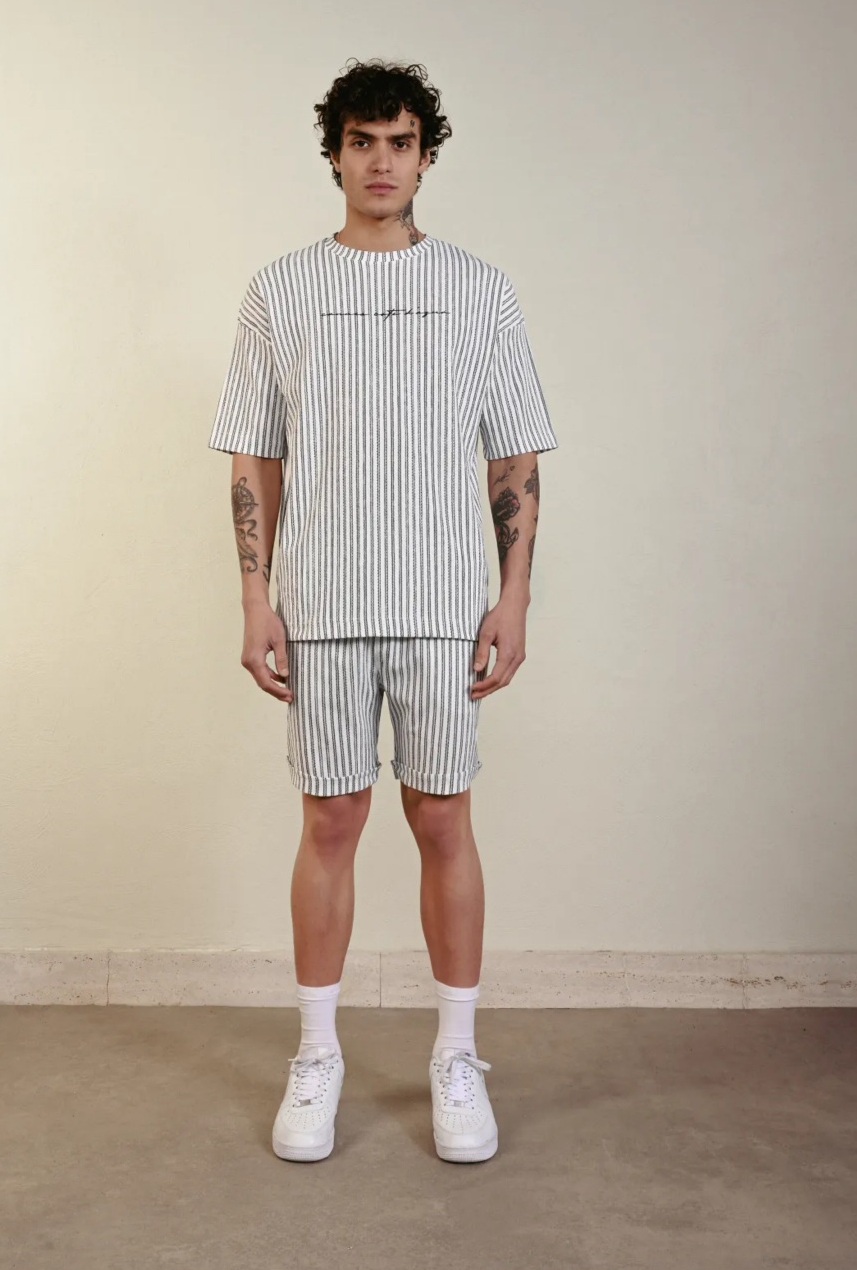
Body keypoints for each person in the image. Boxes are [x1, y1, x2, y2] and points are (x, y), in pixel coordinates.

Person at [207, 59, 558, 1163]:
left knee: (444, 817)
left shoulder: (480, 290)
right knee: (331, 819)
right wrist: (256, 595)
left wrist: (512, 596)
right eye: (361, 141)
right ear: (334, 154)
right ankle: (318, 1053)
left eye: (399, 142)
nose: (380, 161)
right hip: (321, 603)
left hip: (444, 605)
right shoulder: (280, 290)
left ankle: (456, 1054)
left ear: (425, 155)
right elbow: (254, 456)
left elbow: (515, 456)